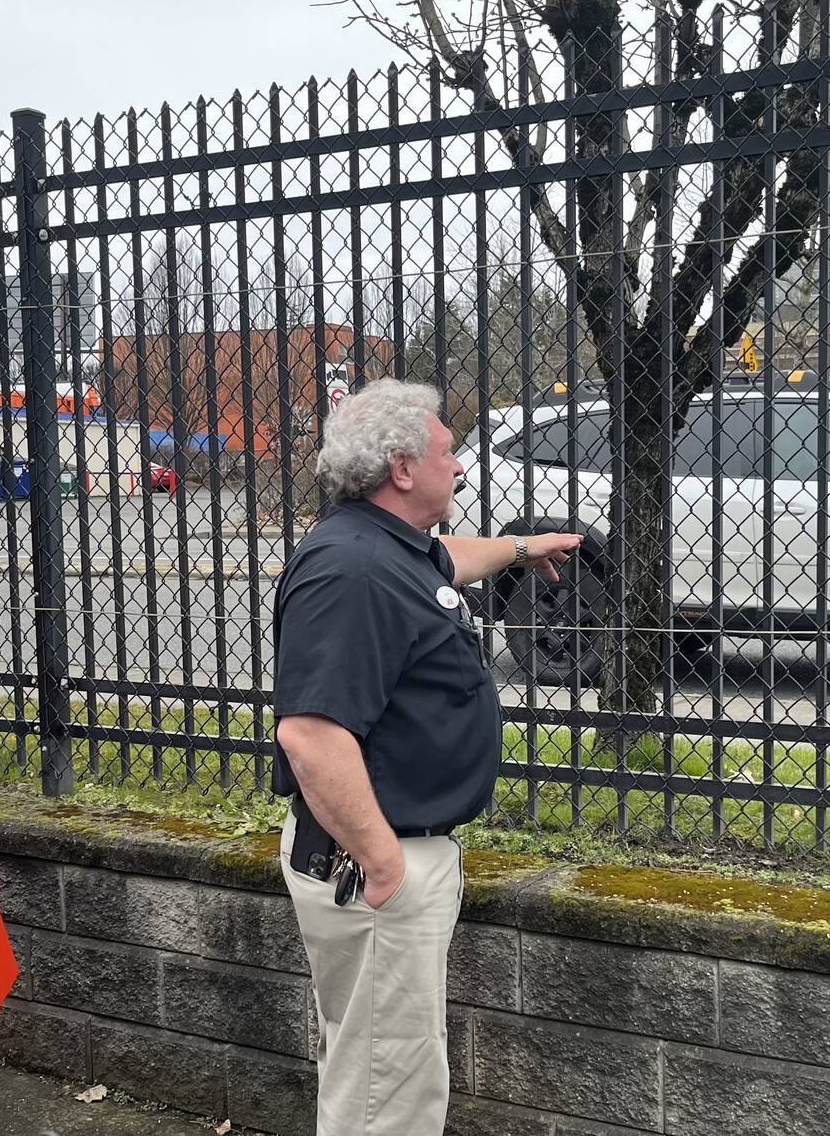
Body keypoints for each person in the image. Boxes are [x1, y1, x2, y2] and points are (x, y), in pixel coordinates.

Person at [273, 378, 581, 1136]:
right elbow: (311, 733)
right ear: (402, 467)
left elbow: (445, 559)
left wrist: (520, 546)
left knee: (376, 1071)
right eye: (449, 452)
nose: (462, 466)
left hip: (386, 861)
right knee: (388, 1096)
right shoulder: (351, 571)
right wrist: (385, 866)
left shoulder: (389, 547)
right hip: (376, 868)